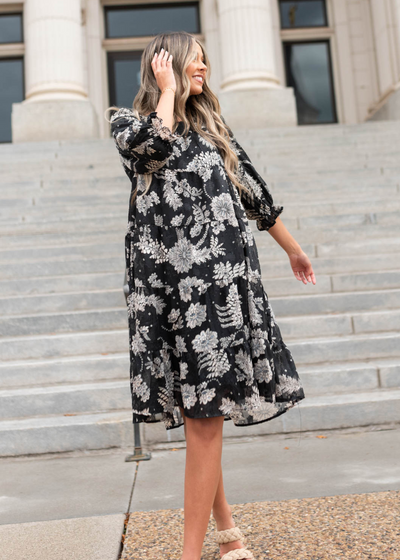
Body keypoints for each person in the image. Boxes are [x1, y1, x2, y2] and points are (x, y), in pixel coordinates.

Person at [109, 31, 316, 560]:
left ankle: (225, 540)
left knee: (207, 416)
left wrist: (292, 249)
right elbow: (152, 151)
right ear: (168, 66)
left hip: (221, 285)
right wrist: (168, 93)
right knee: (203, 418)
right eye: (195, 61)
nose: (204, 68)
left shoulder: (210, 126)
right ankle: (200, 551)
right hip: (169, 293)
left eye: (204, 61)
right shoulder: (127, 124)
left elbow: (253, 189)